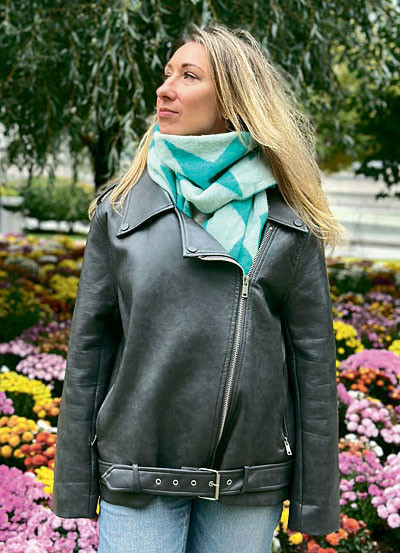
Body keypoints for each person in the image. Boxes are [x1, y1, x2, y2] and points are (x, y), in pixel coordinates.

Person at [51, 23, 347, 553]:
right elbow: (89, 353)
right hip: (138, 474)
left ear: (233, 100)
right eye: (167, 74)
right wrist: (74, 482)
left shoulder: (289, 223)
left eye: (188, 76)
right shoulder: (120, 213)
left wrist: (314, 499)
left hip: (246, 482)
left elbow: (313, 367)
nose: (165, 89)